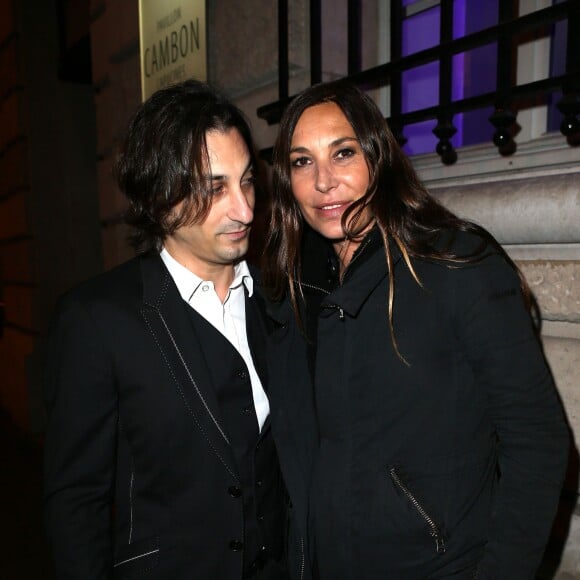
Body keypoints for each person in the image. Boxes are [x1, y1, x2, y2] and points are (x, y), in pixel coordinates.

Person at [262, 80, 570, 580]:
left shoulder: (456, 265)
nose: (323, 181)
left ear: (378, 157)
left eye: (343, 153)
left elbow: (538, 440)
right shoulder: (295, 291)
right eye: (302, 161)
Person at [43, 79, 292, 579]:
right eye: (213, 188)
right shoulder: (98, 320)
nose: (245, 209)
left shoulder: (277, 300)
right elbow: (76, 502)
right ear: (160, 199)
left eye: (246, 180)